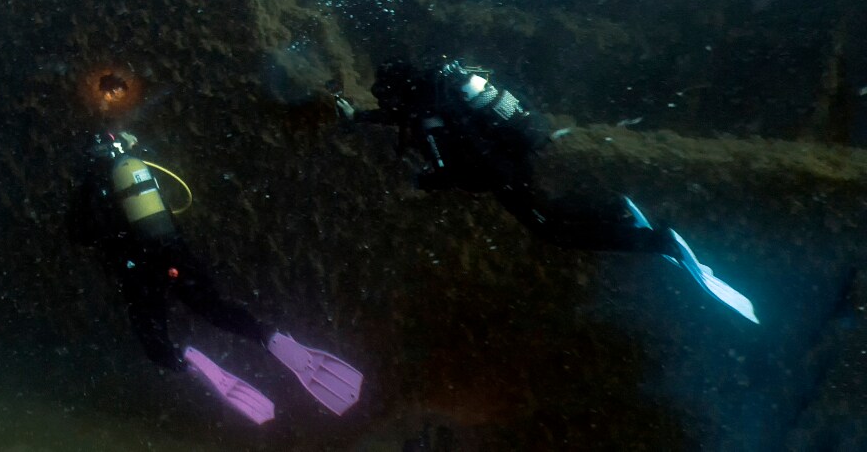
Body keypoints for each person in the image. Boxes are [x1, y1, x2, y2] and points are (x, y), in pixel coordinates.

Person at [348, 59, 757, 323]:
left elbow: (443, 170)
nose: (386, 101)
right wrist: (361, 117)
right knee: (554, 210)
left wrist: (420, 181)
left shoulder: (427, 116)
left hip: (499, 173)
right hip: (511, 158)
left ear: (400, 90)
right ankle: (613, 209)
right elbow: (404, 117)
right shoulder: (437, 97)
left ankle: (657, 241)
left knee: (552, 229)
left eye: (385, 96)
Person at [66, 129, 364, 425]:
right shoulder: (141, 167)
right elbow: (178, 200)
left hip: (138, 269)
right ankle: (267, 335)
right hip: (175, 255)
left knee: (154, 340)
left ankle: (192, 364)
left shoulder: (92, 185)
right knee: (215, 309)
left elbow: (80, 234)